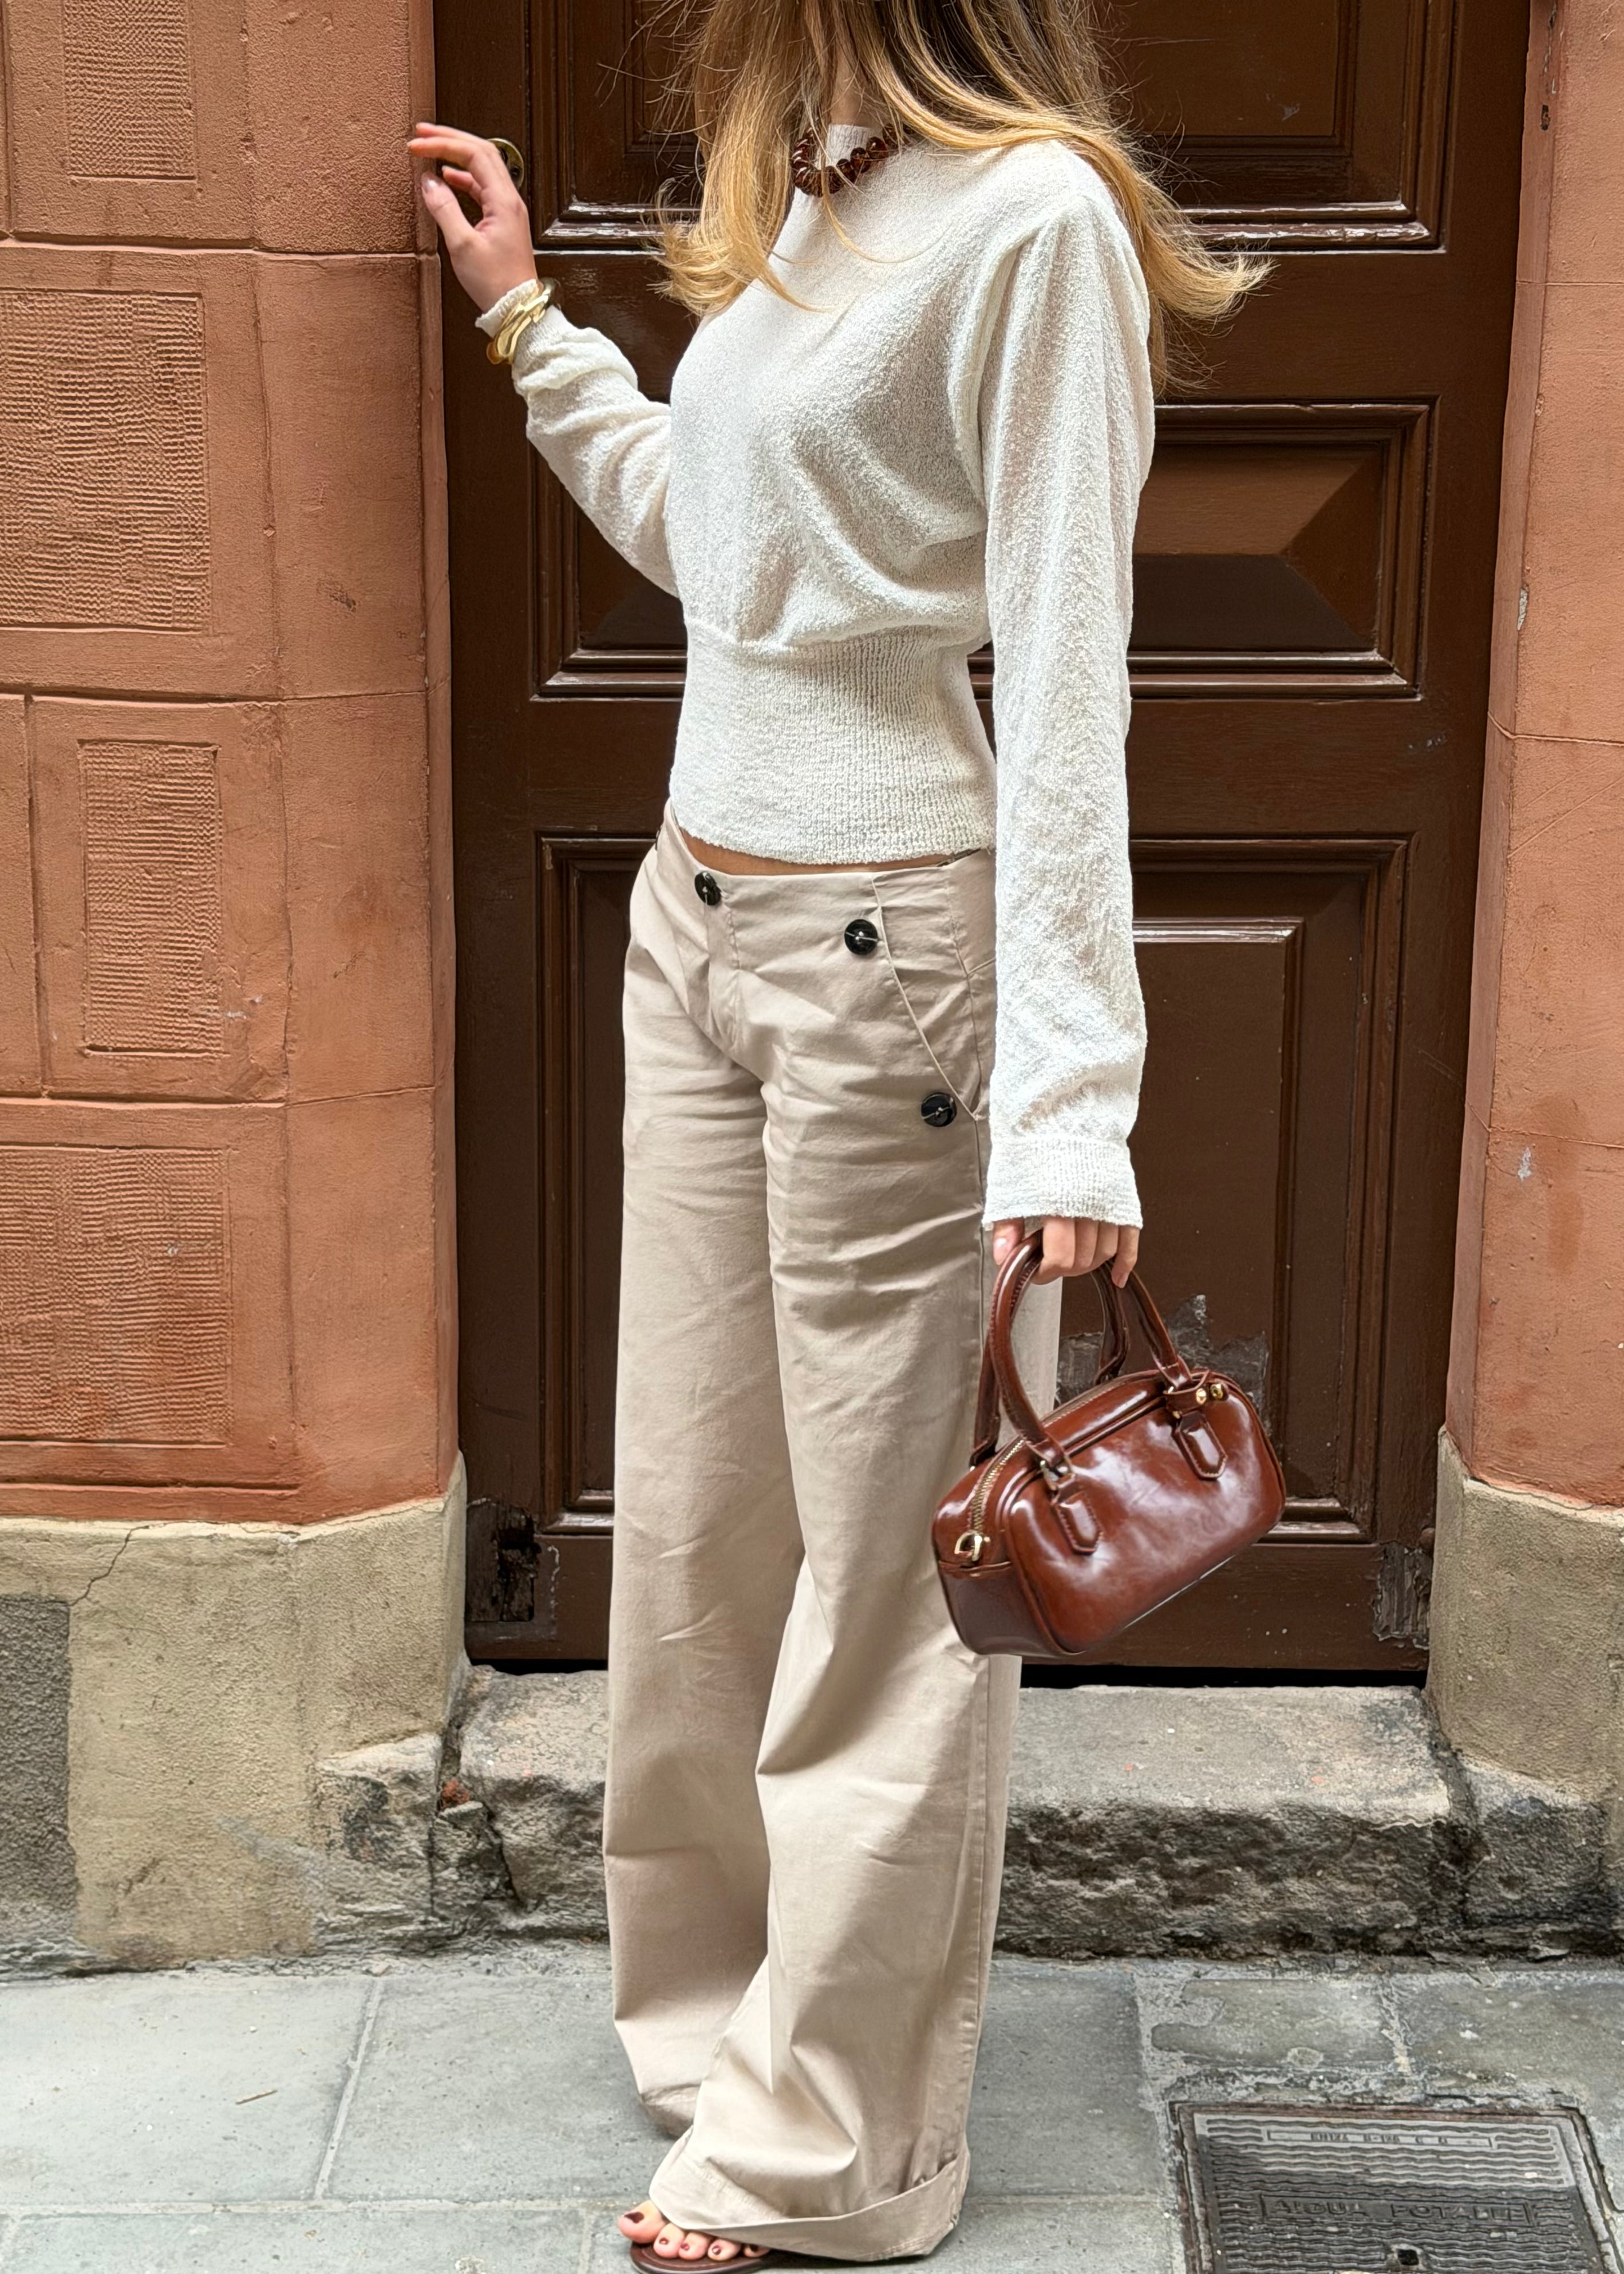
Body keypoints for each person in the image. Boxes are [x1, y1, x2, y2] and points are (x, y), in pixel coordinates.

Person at [412, 2, 1254, 2259]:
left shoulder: (1034, 222)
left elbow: (1066, 664)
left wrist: (1072, 1109)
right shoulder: (823, 176)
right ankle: (720, 2030)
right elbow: (729, 554)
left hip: (895, 966)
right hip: (694, 928)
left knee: (889, 1585)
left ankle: (833, 2146)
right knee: (697, 1530)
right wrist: (526, 327)